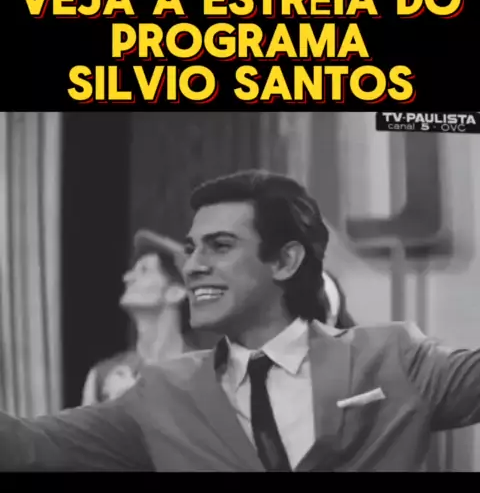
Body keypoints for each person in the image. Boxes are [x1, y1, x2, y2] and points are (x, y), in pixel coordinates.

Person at [1, 168, 480, 472]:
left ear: (285, 261)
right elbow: (29, 447)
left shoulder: (394, 358)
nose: (193, 266)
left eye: (220, 246)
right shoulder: (161, 392)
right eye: (192, 249)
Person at [81, 229, 192, 405]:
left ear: (175, 292)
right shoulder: (102, 376)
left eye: (144, 270)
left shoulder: (205, 374)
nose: (127, 277)